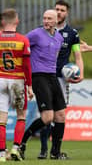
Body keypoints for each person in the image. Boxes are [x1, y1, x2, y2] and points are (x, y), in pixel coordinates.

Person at [37, 0, 84, 159]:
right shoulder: (41, 31)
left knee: (60, 116)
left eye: (62, 10)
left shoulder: (72, 34)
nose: (59, 12)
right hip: (43, 77)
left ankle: (55, 151)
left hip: (61, 79)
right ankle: (43, 149)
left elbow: (77, 55)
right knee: (46, 115)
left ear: (67, 13)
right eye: (56, 9)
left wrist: (81, 73)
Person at [19, 9, 67, 160]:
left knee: (60, 115)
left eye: (49, 19)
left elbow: (55, 56)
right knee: (47, 118)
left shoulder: (59, 37)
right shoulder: (35, 34)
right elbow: (21, 46)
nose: (46, 21)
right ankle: (22, 143)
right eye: (44, 18)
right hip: (38, 76)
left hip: (52, 76)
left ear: (56, 21)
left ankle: (55, 153)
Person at [0, 8, 33, 162]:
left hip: (1, 80)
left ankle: (1, 154)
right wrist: (30, 85)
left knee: (1, 120)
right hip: (17, 82)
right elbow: (27, 65)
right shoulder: (22, 39)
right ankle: (15, 148)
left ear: (2, 22)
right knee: (21, 116)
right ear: (17, 21)